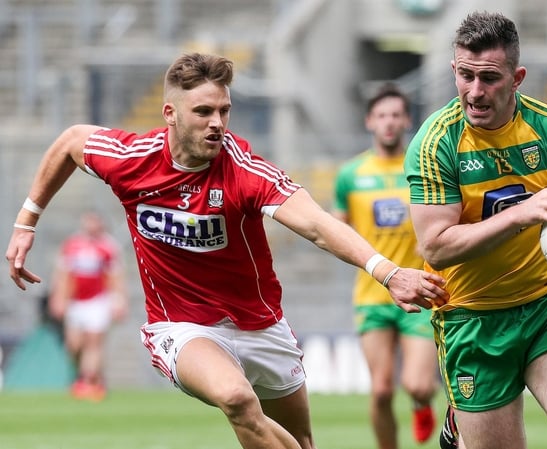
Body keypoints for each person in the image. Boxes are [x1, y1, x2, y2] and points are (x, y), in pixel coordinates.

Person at [5, 52, 448, 449]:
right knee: (237, 399)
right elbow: (70, 141)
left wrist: (389, 273)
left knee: (300, 441)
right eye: (202, 111)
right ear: (170, 114)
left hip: (260, 325)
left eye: (224, 110)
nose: (217, 122)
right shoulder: (131, 159)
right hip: (181, 326)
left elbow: (317, 224)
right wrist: (27, 221)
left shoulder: (244, 170)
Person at [403, 11, 547, 449]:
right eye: (464, 75)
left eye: (489, 78)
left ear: (517, 78)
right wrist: (521, 214)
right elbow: (435, 248)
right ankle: (459, 422)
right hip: (472, 317)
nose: (474, 92)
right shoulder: (434, 143)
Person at [332, 84, 439, 448]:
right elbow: (336, 228)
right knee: (379, 390)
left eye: (396, 114)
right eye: (381, 115)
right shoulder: (351, 174)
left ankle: (422, 404)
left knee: (419, 384)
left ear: (407, 120)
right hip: (372, 295)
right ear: (369, 122)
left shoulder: (422, 168)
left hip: (420, 291)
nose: (389, 122)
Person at [48, 211, 128, 400]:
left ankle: (89, 381)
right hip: (76, 302)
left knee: (94, 341)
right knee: (74, 346)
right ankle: (85, 376)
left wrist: (119, 300)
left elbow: (116, 277)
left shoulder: (108, 247)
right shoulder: (72, 245)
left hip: (98, 301)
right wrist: (58, 298)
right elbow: (62, 274)